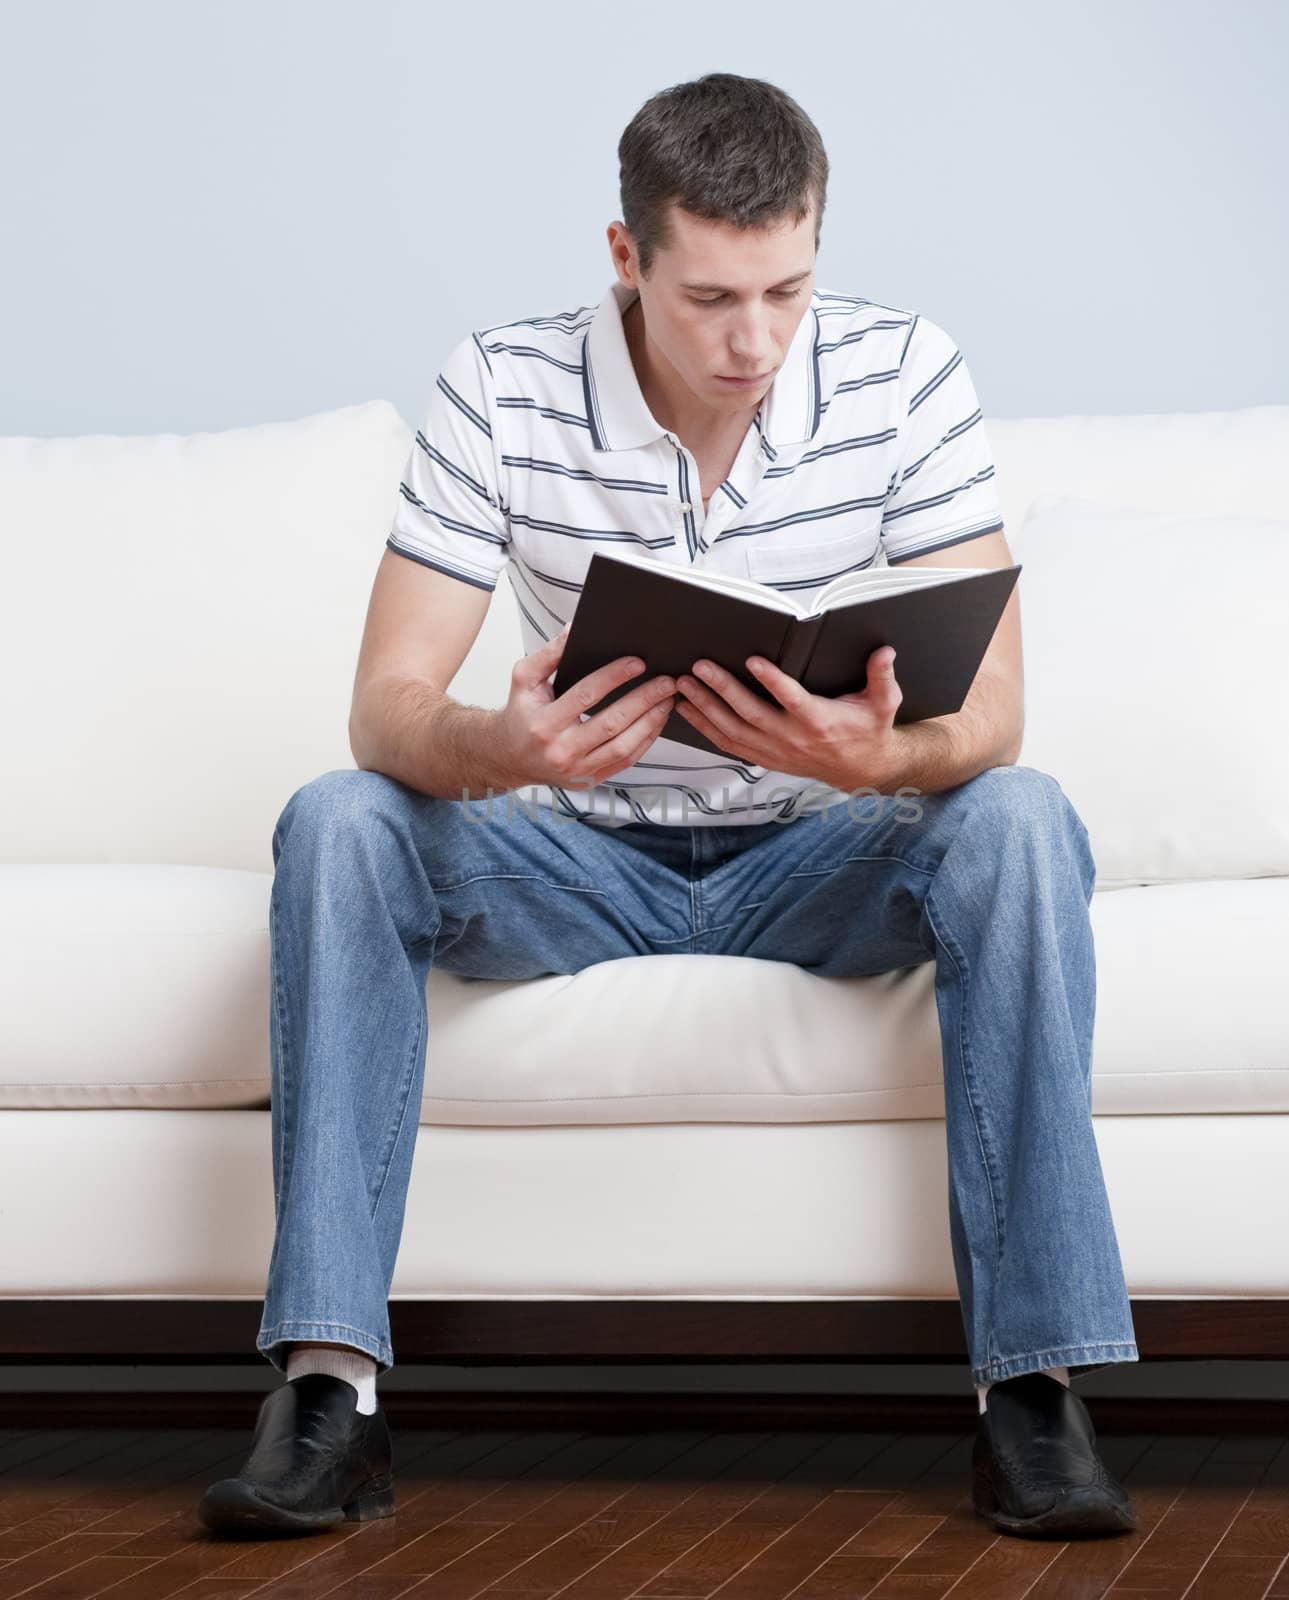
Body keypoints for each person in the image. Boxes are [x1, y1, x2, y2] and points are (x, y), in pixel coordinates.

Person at [198, 72, 1139, 1543]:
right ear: (626, 256)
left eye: (786, 289)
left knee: (1021, 817)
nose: (754, 341)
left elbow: (996, 713)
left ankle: (1031, 1395)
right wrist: (505, 745)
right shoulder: (502, 384)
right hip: (574, 853)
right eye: (709, 297)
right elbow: (383, 709)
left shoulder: (901, 374)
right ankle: (328, 1394)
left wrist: (873, 762)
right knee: (336, 818)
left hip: (825, 849)